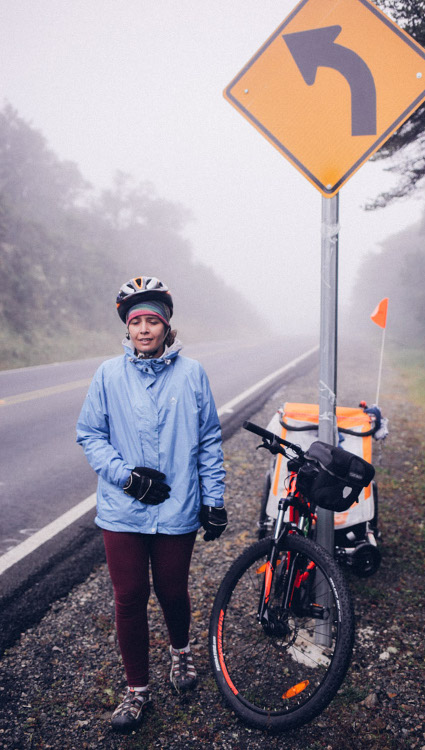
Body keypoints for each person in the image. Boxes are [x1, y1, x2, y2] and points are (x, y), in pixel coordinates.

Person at [76, 275, 227, 733]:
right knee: (129, 598)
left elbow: (208, 441)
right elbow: (90, 435)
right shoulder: (107, 374)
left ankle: (180, 654)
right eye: (136, 320)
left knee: (172, 592)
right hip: (123, 510)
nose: (144, 329)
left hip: (177, 506)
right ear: (127, 326)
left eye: (152, 321)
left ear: (166, 326)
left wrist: (214, 499)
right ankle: (137, 690)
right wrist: (128, 478)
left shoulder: (193, 374)